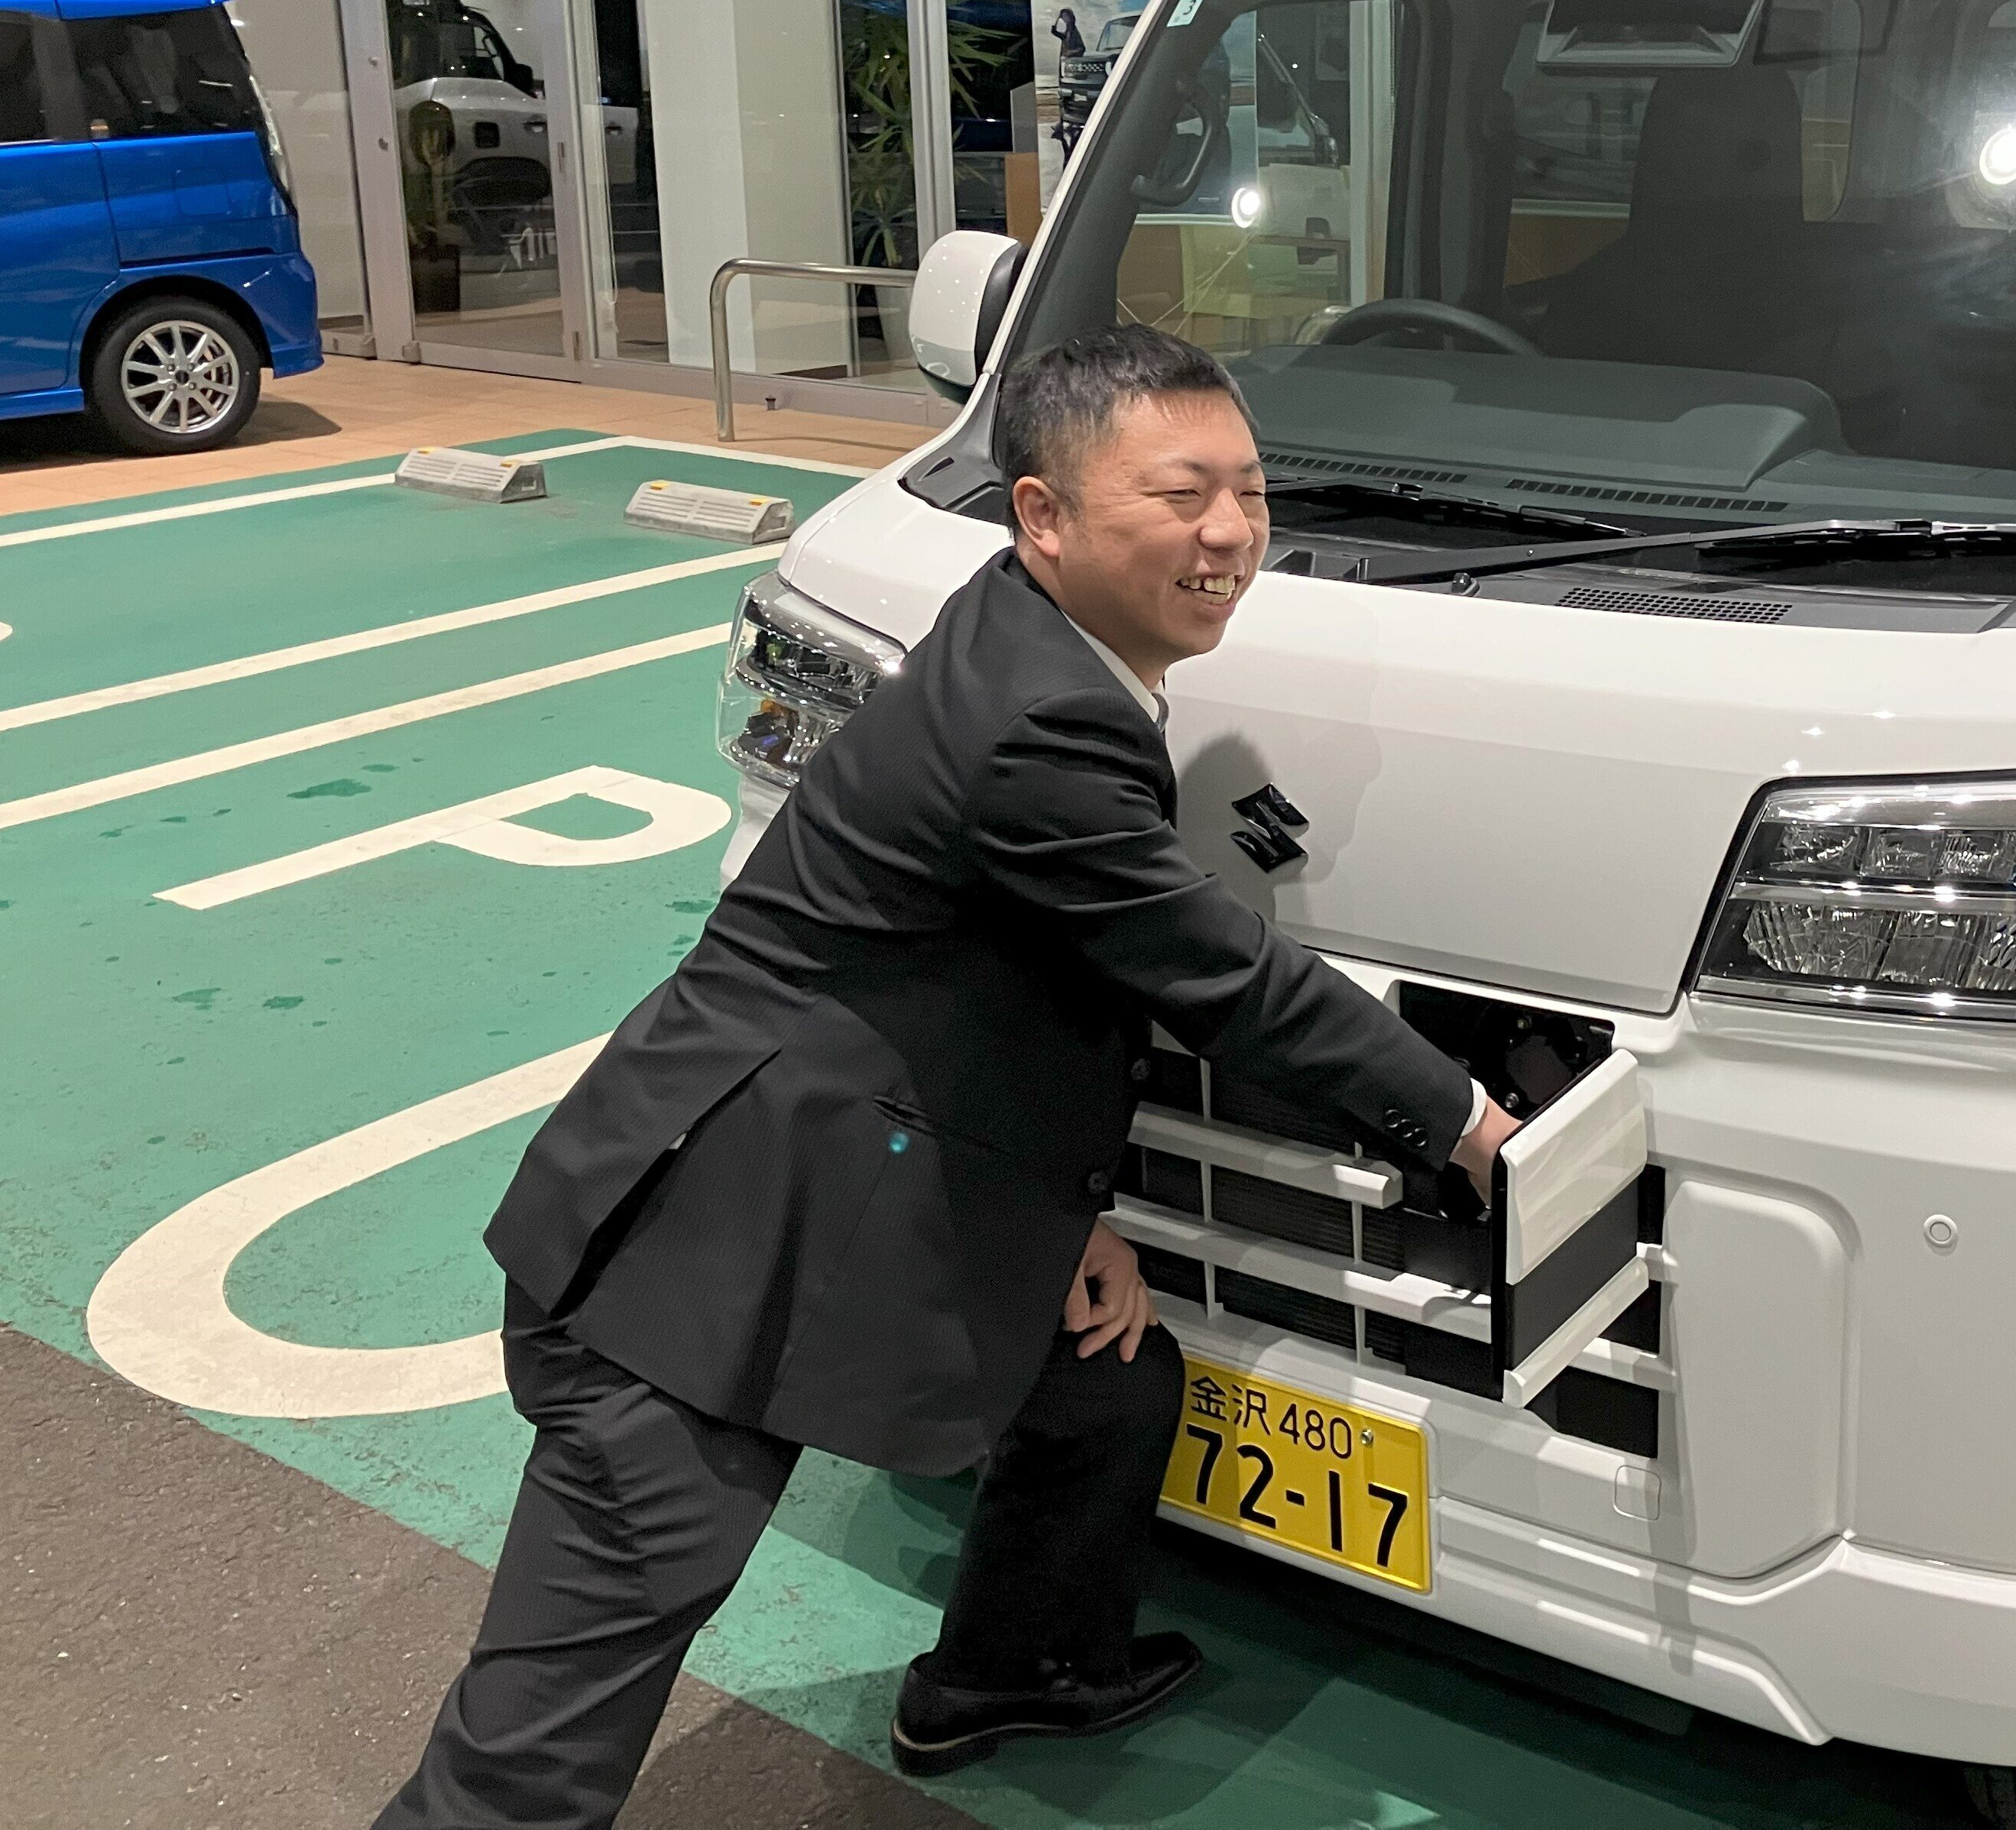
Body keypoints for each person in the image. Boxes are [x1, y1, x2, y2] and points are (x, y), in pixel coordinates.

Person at [375, 325, 1519, 1828]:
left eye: (1250, 490)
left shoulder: (1037, 637)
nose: (1233, 533)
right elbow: (1224, 977)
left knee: (1105, 1388)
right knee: (542, 1739)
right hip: (712, 1242)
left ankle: (1017, 1667)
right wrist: (1472, 1126)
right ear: (1043, 514)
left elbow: (1012, 983)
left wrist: (1063, 1217)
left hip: (871, 1162)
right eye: (1181, 495)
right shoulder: (1042, 717)